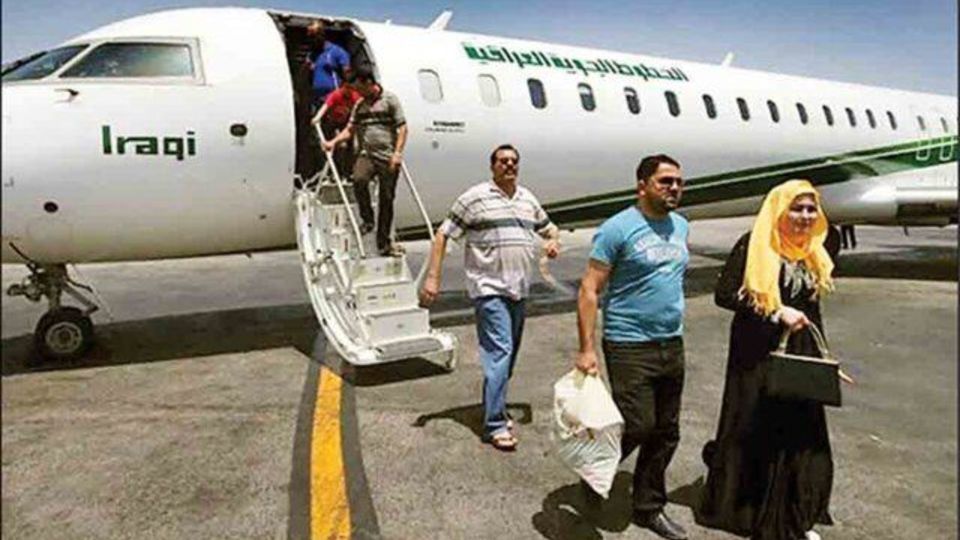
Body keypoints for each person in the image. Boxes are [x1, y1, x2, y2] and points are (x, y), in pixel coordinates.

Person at [698, 180, 841, 540]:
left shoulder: (819, 246)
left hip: (799, 350)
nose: (805, 216)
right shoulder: (754, 244)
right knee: (756, 427)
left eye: (811, 209)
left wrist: (823, 356)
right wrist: (776, 311)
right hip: (756, 352)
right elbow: (725, 294)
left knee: (801, 431)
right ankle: (750, 510)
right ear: (779, 209)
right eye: (797, 208)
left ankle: (796, 512)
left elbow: (812, 308)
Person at [575, 154, 689, 540]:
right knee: (638, 423)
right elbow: (589, 289)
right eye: (665, 181)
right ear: (642, 186)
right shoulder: (617, 228)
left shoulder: (681, 226)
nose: (674, 188)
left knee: (666, 430)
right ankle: (594, 470)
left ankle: (649, 508)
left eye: (679, 182)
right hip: (628, 342)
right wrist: (586, 348)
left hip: (671, 341)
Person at [419, 144, 560, 451]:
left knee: (507, 357)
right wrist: (433, 277)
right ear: (492, 166)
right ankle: (495, 424)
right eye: (502, 161)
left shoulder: (527, 199)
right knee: (500, 351)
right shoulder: (475, 198)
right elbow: (443, 233)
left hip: (519, 290)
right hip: (489, 289)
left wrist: (553, 242)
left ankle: (494, 406)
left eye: (513, 161)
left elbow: (550, 229)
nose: (509, 165)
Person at [323, 67, 407, 256]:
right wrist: (333, 142)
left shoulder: (390, 100)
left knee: (386, 199)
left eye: (359, 88)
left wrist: (397, 153)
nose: (357, 92)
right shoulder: (360, 105)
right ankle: (367, 219)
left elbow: (403, 128)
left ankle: (384, 243)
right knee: (359, 179)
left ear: (369, 83)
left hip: (387, 157)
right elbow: (350, 129)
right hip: (367, 154)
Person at [311, 73, 361, 179]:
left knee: (349, 147)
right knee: (328, 145)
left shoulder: (355, 96)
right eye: (347, 87)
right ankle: (328, 172)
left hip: (346, 122)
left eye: (351, 88)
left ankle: (347, 172)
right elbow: (325, 106)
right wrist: (317, 117)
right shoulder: (336, 95)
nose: (349, 90)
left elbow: (360, 109)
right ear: (343, 86)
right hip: (332, 121)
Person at [305, 21, 350, 112]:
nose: (311, 39)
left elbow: (348, 75)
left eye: (313, 36)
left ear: (321, 35)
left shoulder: (336, 51)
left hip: (333, 98)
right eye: (309, 36)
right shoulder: (312, 55)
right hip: (317, 98)